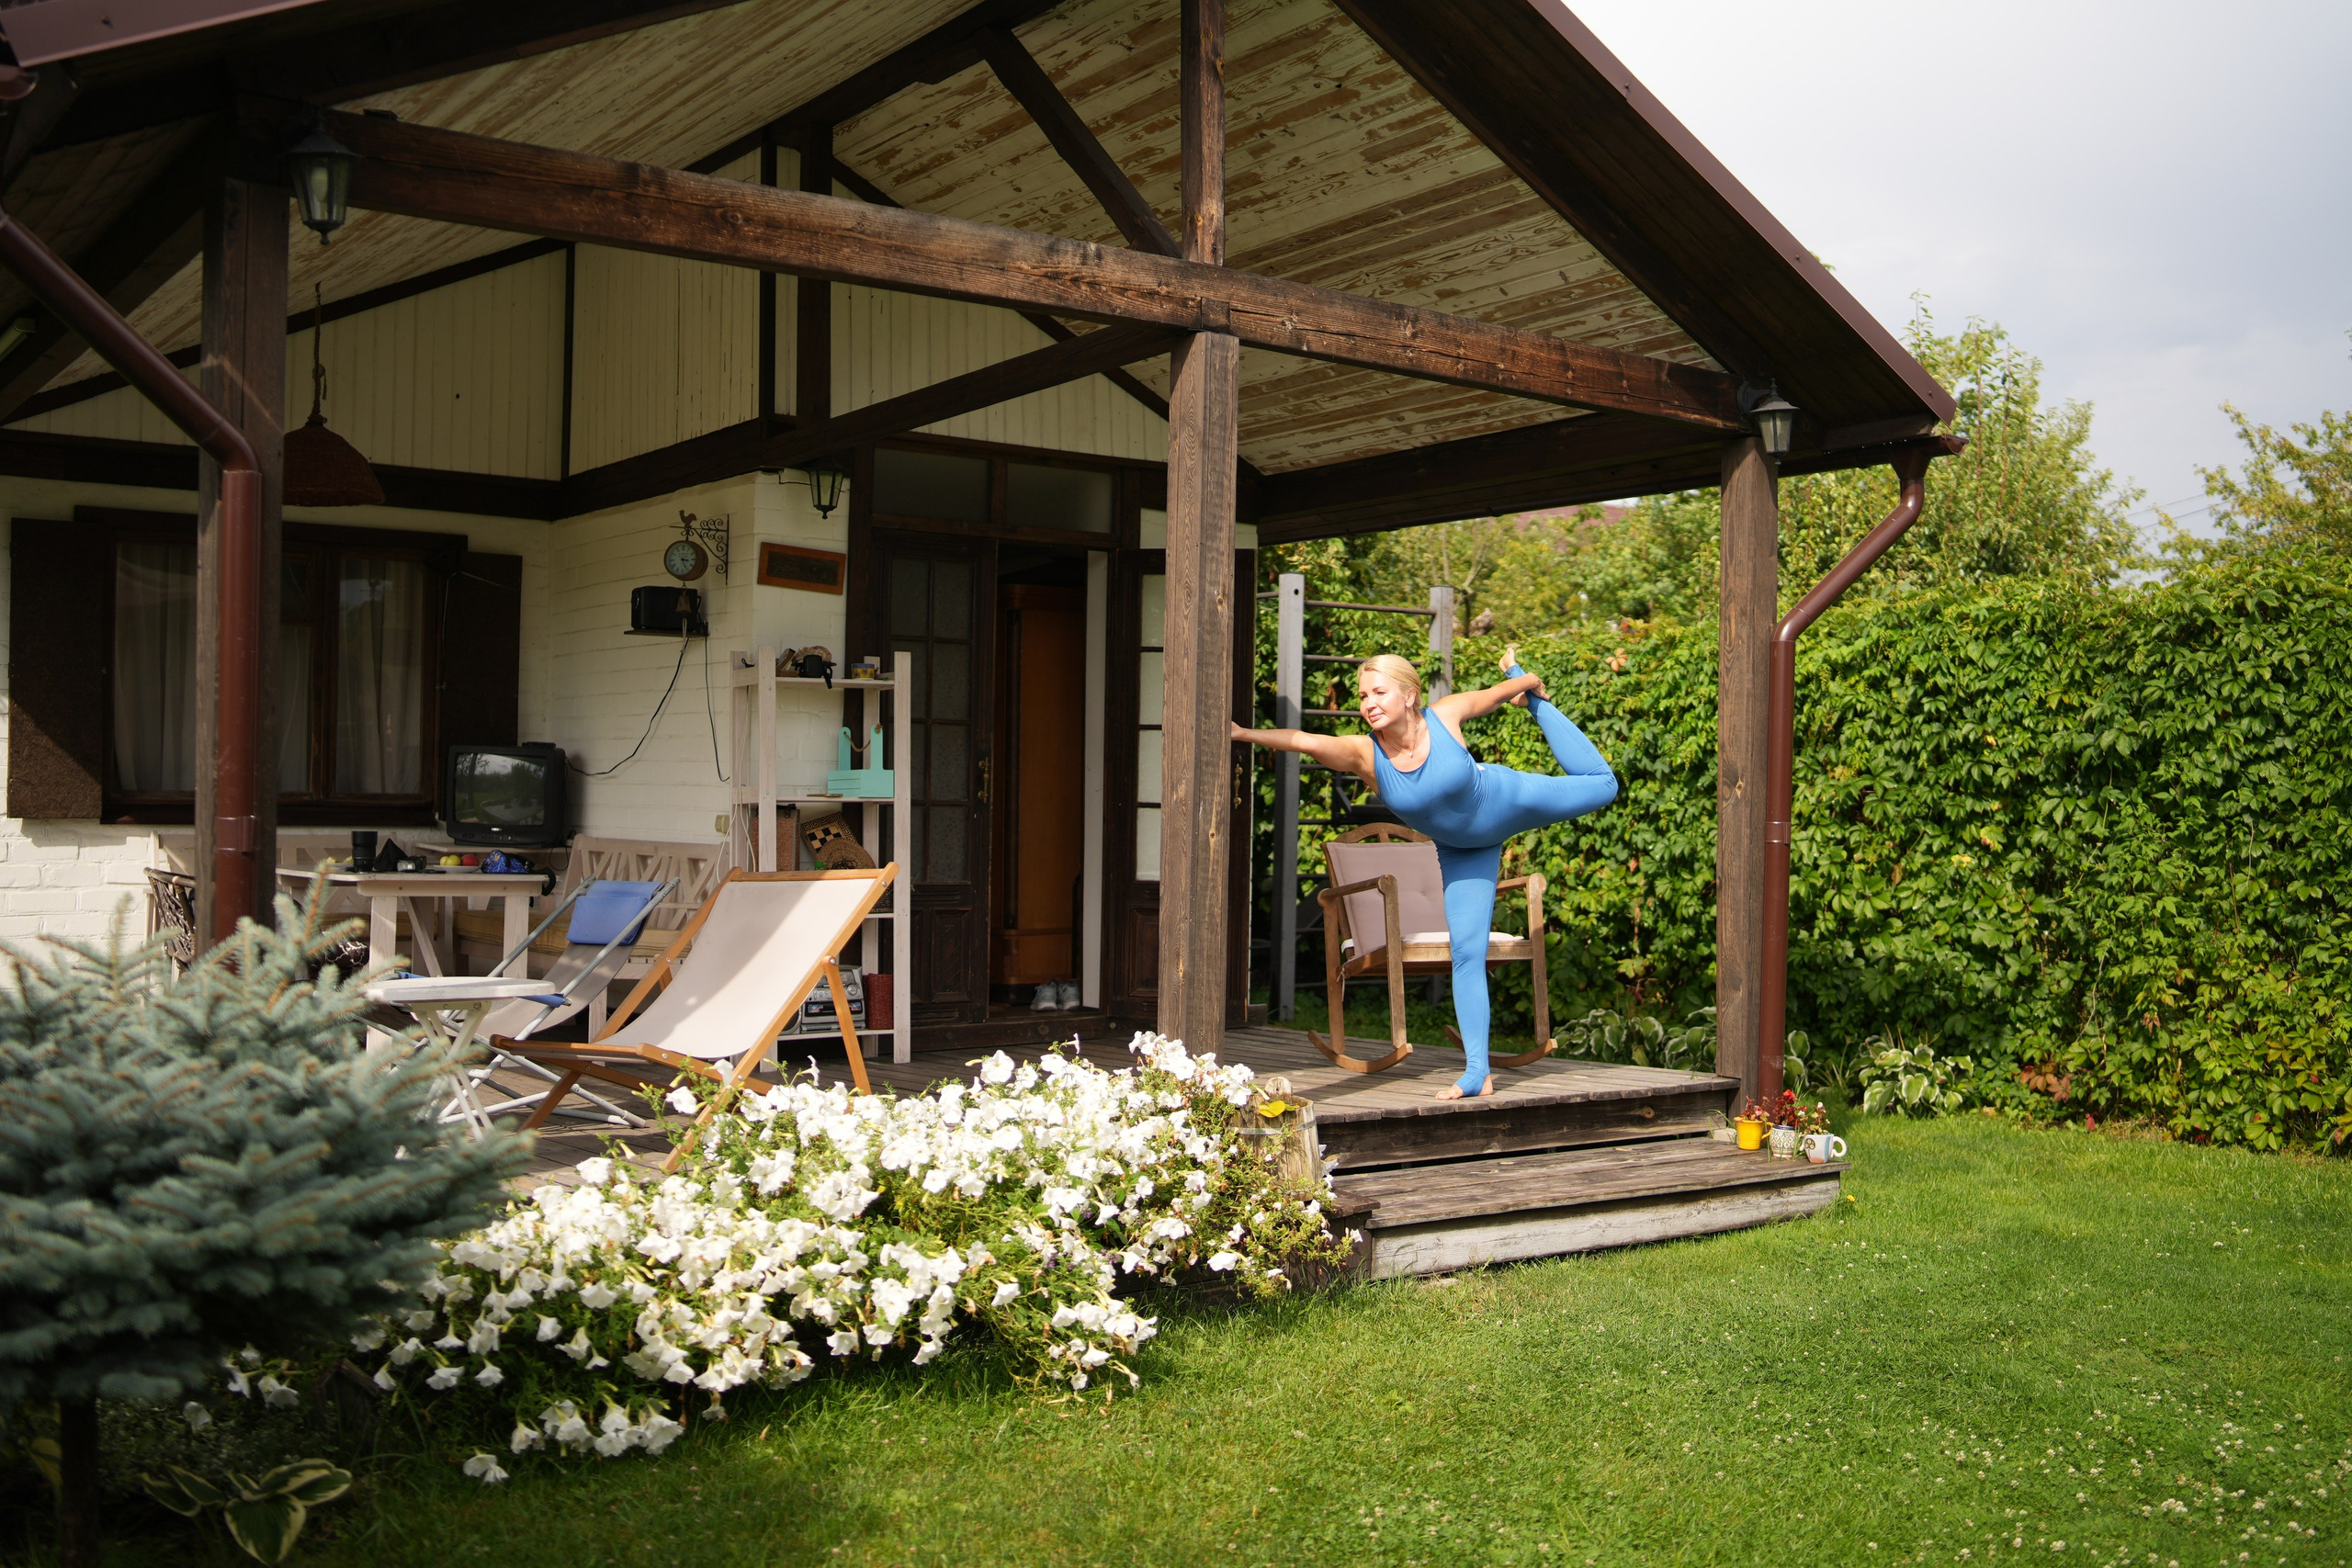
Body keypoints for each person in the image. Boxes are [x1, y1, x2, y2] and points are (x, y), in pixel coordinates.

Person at [1232, 649, 1616, 1099]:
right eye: (1362, 695)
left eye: (1379, 691)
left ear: (1410, 695)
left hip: (1508, 799)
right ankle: (1478, 1072)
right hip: (1462, 853)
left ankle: (1540, 709)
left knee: (1603, 786)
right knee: (1467, 953)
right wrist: (1242, 733)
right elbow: (1303, 739)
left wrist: (1525, 681)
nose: (1368, 703)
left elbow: (1494, 695)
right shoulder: (1365, 755)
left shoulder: (1444, 715)